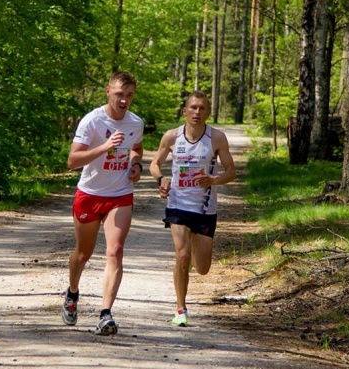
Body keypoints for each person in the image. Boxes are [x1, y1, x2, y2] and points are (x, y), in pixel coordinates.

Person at [62, 71, 144, 336]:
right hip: (90, 193)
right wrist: (105, 146)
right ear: (108, 92)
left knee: (115, 251)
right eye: (119, 94)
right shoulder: (92, 121)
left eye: (129, 95)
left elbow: (137, 148)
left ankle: (105, 314)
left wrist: (136, 164)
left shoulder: (135, 123)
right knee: (83, 254)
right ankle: (72, 292)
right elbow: (72, 161)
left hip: (120, 194)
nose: (124, 100)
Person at [149, 90, 236, 327]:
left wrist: (213, 180)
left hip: (205, 208)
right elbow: (155, 164)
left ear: (208, 112)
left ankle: (196, 250)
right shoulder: (171, 136)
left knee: (202, 267)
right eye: (193, 107)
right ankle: (181, 309)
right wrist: (161, 180)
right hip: (178, 204)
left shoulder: (217, 138)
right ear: (185, 111)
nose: (197, 112)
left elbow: (231, 172)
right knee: (182, 255)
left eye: (202, 108)